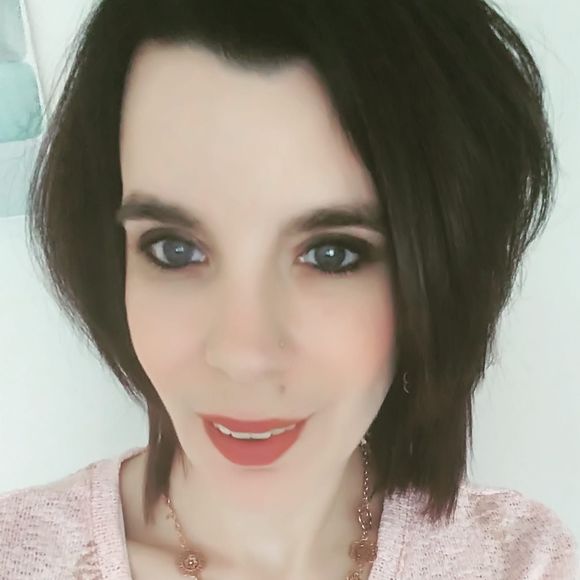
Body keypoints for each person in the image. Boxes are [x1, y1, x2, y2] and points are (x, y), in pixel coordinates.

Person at [0, 0, 578, 578]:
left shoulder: (521, 562)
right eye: (174, 250)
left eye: (332, 254)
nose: (243, 357)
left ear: (442, 269)